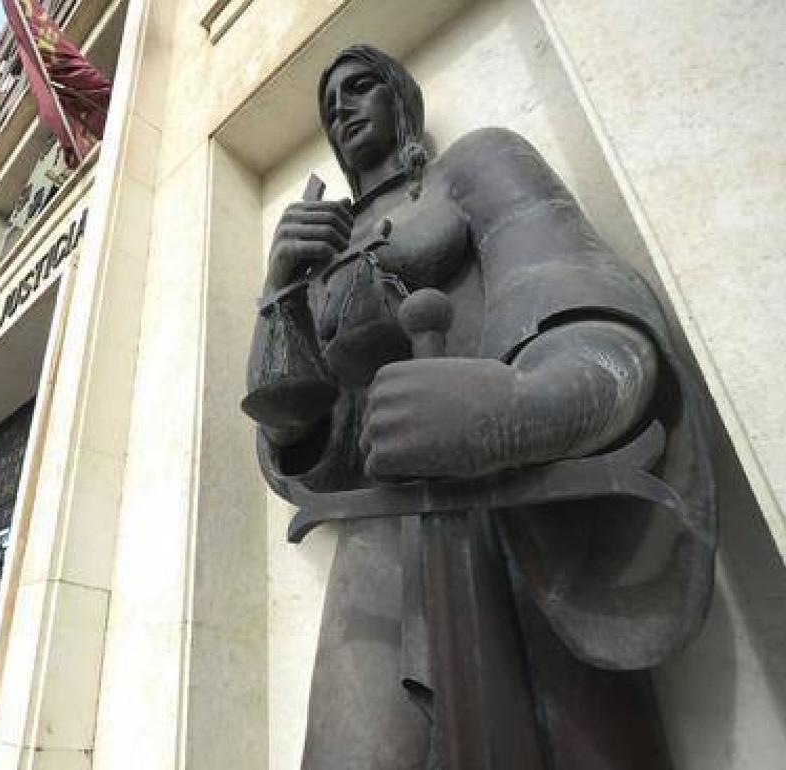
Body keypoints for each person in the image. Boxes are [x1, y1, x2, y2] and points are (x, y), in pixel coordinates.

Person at [244, 44, 715, 769]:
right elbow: (304, 451)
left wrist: (518, 408)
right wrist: (280, 296)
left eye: (360, 85)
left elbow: (588, 304)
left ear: (402, 99)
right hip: (381, 533)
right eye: (327, 101)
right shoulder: (321, 248)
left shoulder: (474, 165)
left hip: (522, 504)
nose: (338, 106)